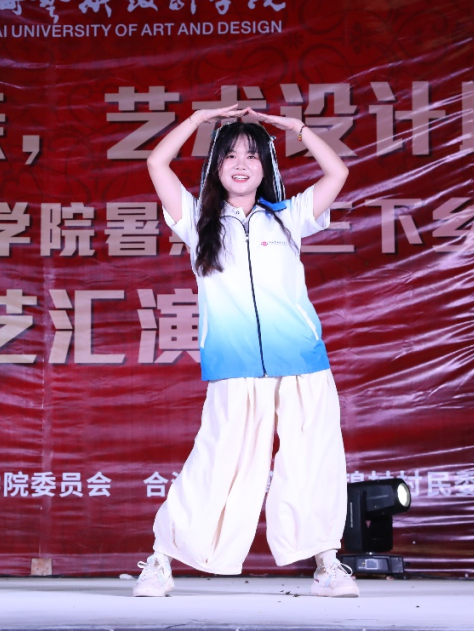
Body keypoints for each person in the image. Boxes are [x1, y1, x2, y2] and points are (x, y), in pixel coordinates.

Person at [133, 104, 358, 599]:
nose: (241, 164)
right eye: (230, 155)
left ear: (265, 166)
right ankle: (161, 560)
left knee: (313, 459)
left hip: (301, 361)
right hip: (234, 365)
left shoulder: (288, 217)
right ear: (216, 165)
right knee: (218, 460)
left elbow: (337, 173)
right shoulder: (197, 220)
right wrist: (198, 120)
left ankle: (327, 562)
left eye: (252, 155)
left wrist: (295, 128)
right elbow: (156, 163)